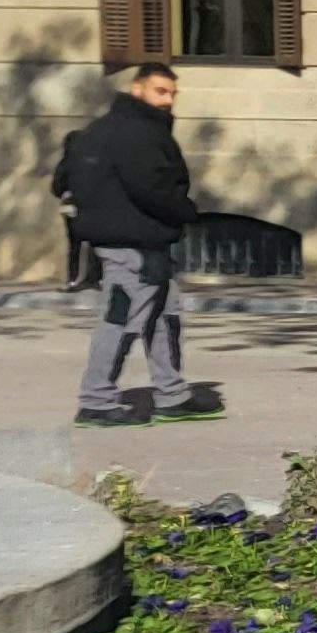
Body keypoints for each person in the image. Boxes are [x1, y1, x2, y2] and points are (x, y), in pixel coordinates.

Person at [55, 62, 221, 428]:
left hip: (134, 240)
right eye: (160, 91)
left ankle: (172, 395)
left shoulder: (98, 130)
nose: (168, 100)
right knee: (120, 320)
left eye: (172, 93)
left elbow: (61, 180)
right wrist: (185, 211)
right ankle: (96, 401)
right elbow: (152, 188)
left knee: (163, 315)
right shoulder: (138, 133)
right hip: (134, 244)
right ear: (137, 89)